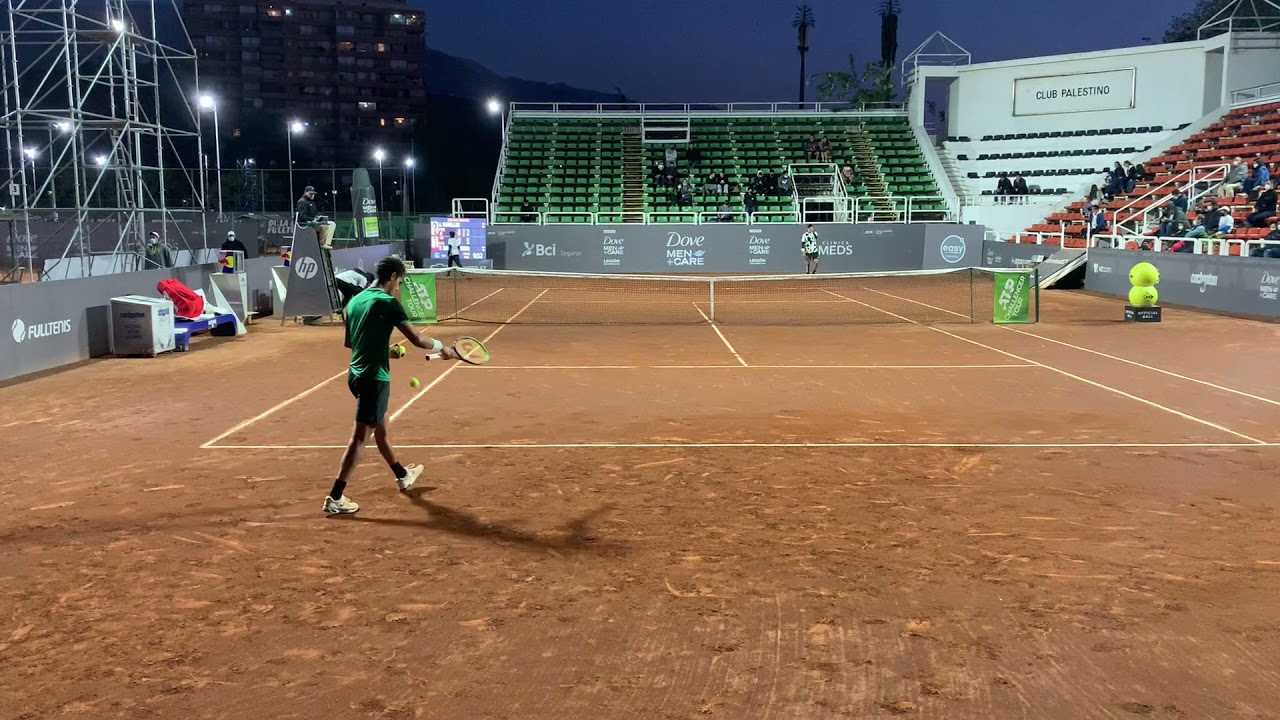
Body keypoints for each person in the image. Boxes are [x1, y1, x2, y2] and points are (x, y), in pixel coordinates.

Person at [323, 256, 459, 516]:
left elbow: (352, 344)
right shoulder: (388, 303)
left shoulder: (355, 301)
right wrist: (445, 349)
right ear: (395, 277)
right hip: (374, 379)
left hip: (356, 375)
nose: (399, 287)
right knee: (360, 438)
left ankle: (402, 474)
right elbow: (418, 339)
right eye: (401, 282)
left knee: (381, 428)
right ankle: (335, 497)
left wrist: (386, 351)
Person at [296, 185, 335, 250]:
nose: (312, 195)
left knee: (331, 224)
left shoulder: (312, 202)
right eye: (310, 194)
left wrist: (318, 218)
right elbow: (302, 216)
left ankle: (325, 243)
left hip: (313, 223)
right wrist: (313, 220)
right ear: (305, 192)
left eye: (313, 194)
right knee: (325, 226)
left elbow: (314, 214)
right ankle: (322, 243)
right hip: (305, 224)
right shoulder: (302, 202)